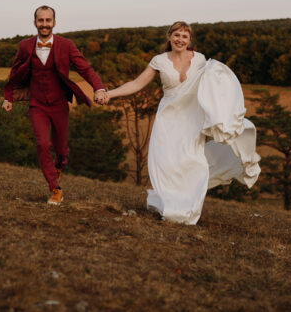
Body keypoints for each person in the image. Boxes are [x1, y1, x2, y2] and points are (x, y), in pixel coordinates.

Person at [100, 21, 261, 224]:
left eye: (184, 36)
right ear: (169, 37)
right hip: (168, 119)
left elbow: (214, 84)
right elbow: (136, 84)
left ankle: (188, 209)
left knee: (194, 162)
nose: (180, 40)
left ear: (189, 40)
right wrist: (110, 94)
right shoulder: (159, 61)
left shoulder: (200, 59)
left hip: (191, 119)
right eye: (176, 35)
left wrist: (222, 111)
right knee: (167, 162)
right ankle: (171, 206)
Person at [2, 5, 108, 205]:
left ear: (54, 23)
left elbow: (85, 68)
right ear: (35, 23)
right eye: (40, 20)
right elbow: (14, 73)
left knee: (61, 149)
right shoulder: (25, 46)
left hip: (59, 104)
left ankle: (60, 163)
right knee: (42, 144)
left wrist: (99, 88)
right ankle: (55, 189)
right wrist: (8, 98)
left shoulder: (66, 45)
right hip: (37, 104)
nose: (44, 24)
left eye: (47, 20)